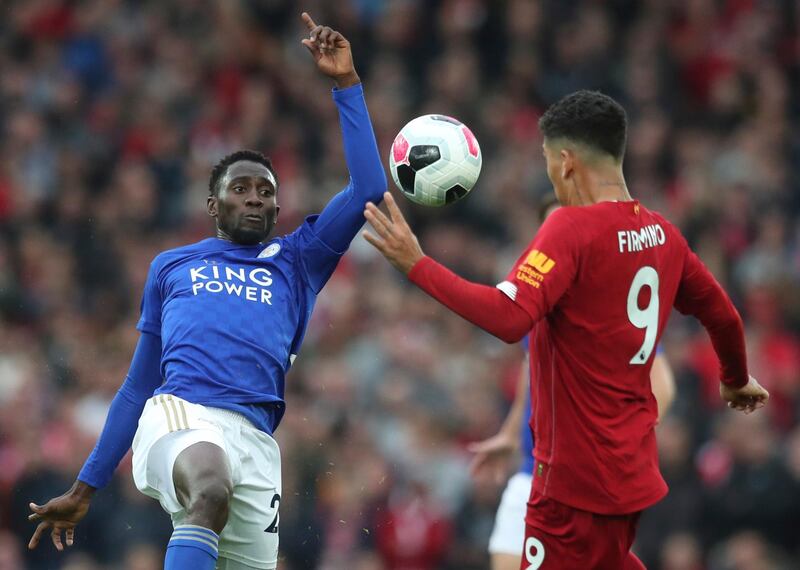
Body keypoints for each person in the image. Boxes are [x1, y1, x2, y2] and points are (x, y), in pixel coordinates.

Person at [26, 13, 386, 570]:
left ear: (276, 207)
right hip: (183, 414)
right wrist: (87, 484)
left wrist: (346, 83)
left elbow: (368, 187)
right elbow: (140, 381)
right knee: (209, 489)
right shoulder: (174, 266)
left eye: (265, 192)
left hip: (258, 444)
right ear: (214, 206)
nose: (254, 199)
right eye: (239, 189)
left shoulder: (298, 260)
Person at [362, 90, 769, 569]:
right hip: (629, 476)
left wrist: (418, 265)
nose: (551, 175)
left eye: (548, 162)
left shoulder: (571, 229)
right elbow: (723, 315)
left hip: (572, 487)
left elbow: (507, 318)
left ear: (567, 161)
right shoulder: (664, 234)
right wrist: (736, 378)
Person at [469, 197, 676, 570]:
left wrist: (616, 444)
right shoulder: (539, 303)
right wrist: (511, 433)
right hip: (530, 476)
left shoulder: (607, 307)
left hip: (582, 489)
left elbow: (662, 383)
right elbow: (533, 370)